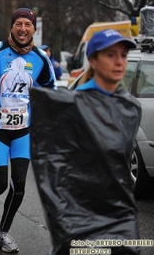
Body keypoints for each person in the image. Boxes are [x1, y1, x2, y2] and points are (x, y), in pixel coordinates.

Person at [29, 29, 141, 255]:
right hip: (77, 218)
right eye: (111, 55)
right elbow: (50, 169)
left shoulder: (130, 107)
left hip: (121, 216)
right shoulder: (68, 107)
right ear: (92, 60)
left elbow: (120, 166)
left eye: (123, 55)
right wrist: (62, 220)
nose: (120, 62)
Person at [0, 7, 56, 253]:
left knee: (19, 185)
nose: (23, 29)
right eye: (19, 24)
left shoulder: (40, 58)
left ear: (34, 29)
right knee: (0, 185)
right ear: (12, 27)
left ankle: (3, 233)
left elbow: (50, 90)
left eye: (28, 24)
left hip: (24, 130)